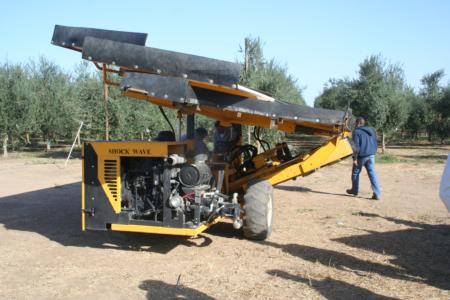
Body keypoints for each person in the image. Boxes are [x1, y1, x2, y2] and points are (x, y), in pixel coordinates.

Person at [346, 117, 381, 200]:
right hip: (371, 155)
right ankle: (377, 193)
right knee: (372, 174)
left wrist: (354, 158)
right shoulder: (372, 130)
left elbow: (356, 147)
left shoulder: (356, 132)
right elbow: (376, 142)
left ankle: (354, 190)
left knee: (355, 172)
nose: (354, 125)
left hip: (361, 156)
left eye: (355, 123)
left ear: (357, 123)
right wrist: (374, 151)